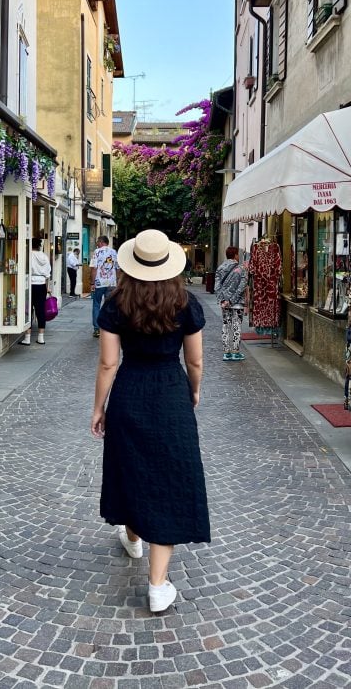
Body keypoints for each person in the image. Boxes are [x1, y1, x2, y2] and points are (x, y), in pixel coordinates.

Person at [90, 229, 210, 614]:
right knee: (169, 480)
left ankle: (133, 537)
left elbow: (109, 363)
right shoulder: (185, 303)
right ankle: (158, 587)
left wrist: (98, 407)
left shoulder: (115, 303)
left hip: (129, 391)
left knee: (132, 468)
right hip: (170, 391)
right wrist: (193, 390)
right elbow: (195, 361)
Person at [214, 245, 248, 361]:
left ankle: (226, 352)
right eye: (238, 254)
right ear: (235, 255)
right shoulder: (241, 269)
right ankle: (235, 352)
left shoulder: (220, 268)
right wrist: (232, 300)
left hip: (225, 304)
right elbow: (242, 286)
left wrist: (223, 300)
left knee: (226, 325)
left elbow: (217, 286)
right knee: (237, 326)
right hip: (237, 303)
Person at [20, 237, 52, 346]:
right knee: (41, 310)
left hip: (30, 284)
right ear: (39, 246)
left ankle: (27, 338)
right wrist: (47, 287)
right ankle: (41, 337)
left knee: (28, 310)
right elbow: (48, 274)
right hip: (41, 284)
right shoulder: (44, 256)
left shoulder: (28, 254)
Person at [89, 235, 118, 338]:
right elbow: (117, 269)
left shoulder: (96, 252)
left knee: (96, 304)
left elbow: (94, 269)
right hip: (111, 283)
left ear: (101, 242)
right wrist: (117, 282)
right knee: (109, 305)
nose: (97, 243)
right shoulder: (114, 252)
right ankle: (108, 327)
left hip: (99, 283)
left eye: (97, 241)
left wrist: (92, 283)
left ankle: (97, 329)